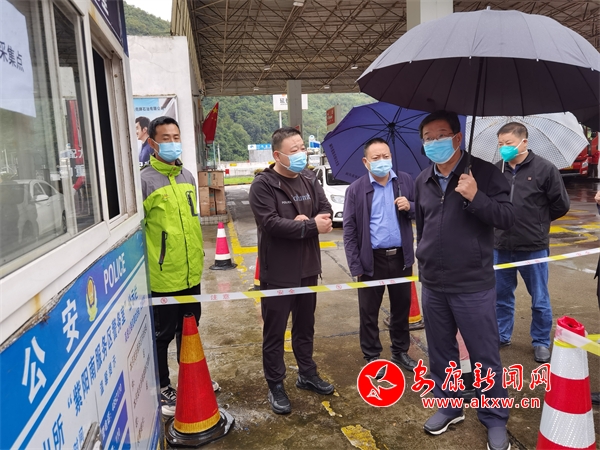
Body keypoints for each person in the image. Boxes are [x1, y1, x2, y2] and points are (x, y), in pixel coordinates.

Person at [414, 111, 515, 450]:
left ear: (457, 138)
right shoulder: (422, 180)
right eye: (428, 138)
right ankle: (450, 405)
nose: (434, 142)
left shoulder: (484, 174)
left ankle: (494, 417)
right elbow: (423, 226)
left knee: (484, 354)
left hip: (472, 283)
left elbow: (507, 217)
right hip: (433, 283)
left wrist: (476, 196)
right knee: (441, 352)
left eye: (441, 135)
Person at [249, 127, 335, 415]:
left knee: (305, 326)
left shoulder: (309, 178)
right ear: (278, 155)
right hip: (278, 272)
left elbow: (325, 211)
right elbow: (270, 223)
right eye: (294, 150)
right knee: (275, 331)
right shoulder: (263, 185)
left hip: (308, 267)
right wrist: (308, 225)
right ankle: (275, 384)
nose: (301, 154)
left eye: (302, 148)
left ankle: (307, 374)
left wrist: (306, 223)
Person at [141, 116, 217, 417]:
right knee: (162, 335)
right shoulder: (144, 181)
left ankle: (190, 376)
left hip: (190, 272)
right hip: (163, 276)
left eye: (176, 137)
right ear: (152, 143)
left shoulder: (187, 176)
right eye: (166, 138)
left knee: (189, 329)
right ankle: (162, 387)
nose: (173, 143)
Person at [494, 122, 570, 364]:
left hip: (533, 247)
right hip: (500, 246)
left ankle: (540, 341)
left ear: (523, 142)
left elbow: (561, 204)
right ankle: (501, 335)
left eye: (508, 143)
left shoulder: (545, 169)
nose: (504, 148)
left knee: (539, 298)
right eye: (500, 144)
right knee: (500, 297)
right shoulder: (496, 170)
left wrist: (538, 222)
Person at [343, 138, 417, 371]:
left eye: (386, 156)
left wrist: (411, 206)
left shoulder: (405, 181)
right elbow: (349, 230)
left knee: (401, 308)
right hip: (371, 260)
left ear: (391, 157)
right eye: (376, 158)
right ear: (366, 162)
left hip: (401, 258)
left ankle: (400, 351)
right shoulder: (356, 189)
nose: (382, 161)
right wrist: (356, 266)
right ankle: (372, 355)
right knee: (369, 311)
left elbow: (423, 210)